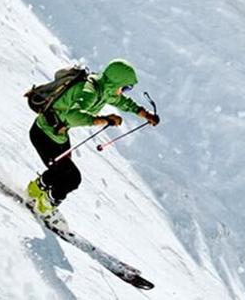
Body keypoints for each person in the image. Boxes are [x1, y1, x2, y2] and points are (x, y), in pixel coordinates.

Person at [26, 59, 160, 217]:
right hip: (44, 135)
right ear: (116, 83)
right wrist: (104, 119)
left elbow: (124, 102)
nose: (125, 91)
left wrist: (145, 114)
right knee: (71, 179)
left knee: (62, 172)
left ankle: (34, 191)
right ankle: (45, 209)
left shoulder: (104, 89)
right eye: (126, 88)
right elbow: (73, 116)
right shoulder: (90, 91)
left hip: (55, 135)